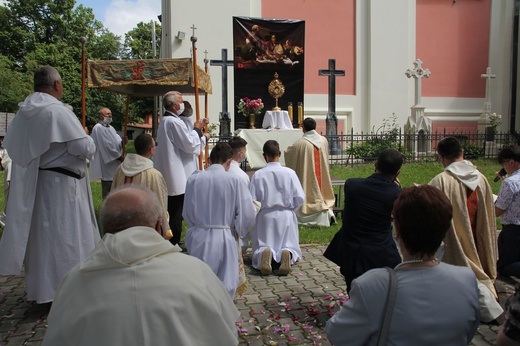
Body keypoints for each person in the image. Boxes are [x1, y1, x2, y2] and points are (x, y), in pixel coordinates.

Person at [42, 185, 240, 346]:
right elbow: (227, 332)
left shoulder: (73, 282)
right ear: (159, 226)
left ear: (105, 228)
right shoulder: (197, 272)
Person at [325, 185, 480, 346]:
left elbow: (336, 334)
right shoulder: (467, 279)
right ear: (446, 228)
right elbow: (467, 332)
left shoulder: (373, 285)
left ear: (397, 229)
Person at [0, 66, 100, 304]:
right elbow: (81, 148)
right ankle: (65, 290)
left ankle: (43, 291)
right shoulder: (57, 111)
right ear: (56, 85)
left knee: (43, 239)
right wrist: (86, 136)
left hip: (38, 182)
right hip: (62, 187)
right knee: (65, 235)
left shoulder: (24, 112)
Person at [324, 148, 403, 292]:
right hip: (380, 253)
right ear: (397, 173)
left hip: (351, 252)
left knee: (353, 289)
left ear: (375, 165)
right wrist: (397, 188)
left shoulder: (352, 185)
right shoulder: (396, 193)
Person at [183, 142, 256, 298]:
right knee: (226, 283)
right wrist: (239, 230)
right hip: (225, 235)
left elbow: (187, 212)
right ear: (229, 161)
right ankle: (223, 312)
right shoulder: (234, 181)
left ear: (209, 159)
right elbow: (247, 213)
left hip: (199, 236)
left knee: (200, 281)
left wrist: (197, 226)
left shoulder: (194, 180)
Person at [428, 137, 498, 299]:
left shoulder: (441, 181)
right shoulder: (482, 179)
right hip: (478, 241)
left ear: (442, 158)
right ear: (462, 153)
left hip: (455, 244)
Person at [154, 91, 208, 246]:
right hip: (176, 173)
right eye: (181, 101)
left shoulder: (168, 120)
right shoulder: (173, 122)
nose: (182, 104)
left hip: (173, 170)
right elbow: (189, 144)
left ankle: (171, 238)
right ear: (174, 104)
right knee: (176, 210)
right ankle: (174, 242)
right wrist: (198, 130)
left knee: (173, 208)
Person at [250, 140, 305, 276]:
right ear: (279, 153)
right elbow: (299, 197)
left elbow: (252, 199)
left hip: (266, 215)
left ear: (264, 155)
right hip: (286, 214)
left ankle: (264, 253)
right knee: (288, 243)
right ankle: (287, 254)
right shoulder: (290, 173)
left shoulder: (259, 174)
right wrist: (292, 210)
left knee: (263, 243)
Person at [111, 133, 172, 240]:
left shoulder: (120, 170)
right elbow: (161, 204)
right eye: (155, 145)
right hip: (145, 228)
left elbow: (112, 196)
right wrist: (165, 228)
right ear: (151, 150)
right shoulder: (154, 175)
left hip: (122, 224)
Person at [285, 117, 335, 227]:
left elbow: (288, 153)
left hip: (308, 180)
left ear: (303, 128)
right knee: (320, 192)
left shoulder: (300, 144)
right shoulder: (324, 140)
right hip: (322, 180)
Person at [90, 107, 127, 199]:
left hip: (116, 164)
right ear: (101, 116)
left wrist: (122, 142)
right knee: (109, 192)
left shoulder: (111, 128)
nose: (110, 116)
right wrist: (119, 157)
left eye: (110, 114)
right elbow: (106, 147)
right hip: (108, 164)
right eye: (107, 114)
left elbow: (117, 142)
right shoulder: (98, 128)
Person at [495, 144, 520, 278]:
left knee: (504, 266)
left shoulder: (510, 183)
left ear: (511, 162)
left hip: (513, 230)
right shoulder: (510, 181)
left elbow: (498, 209)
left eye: (503, 164)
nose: (503, 168)